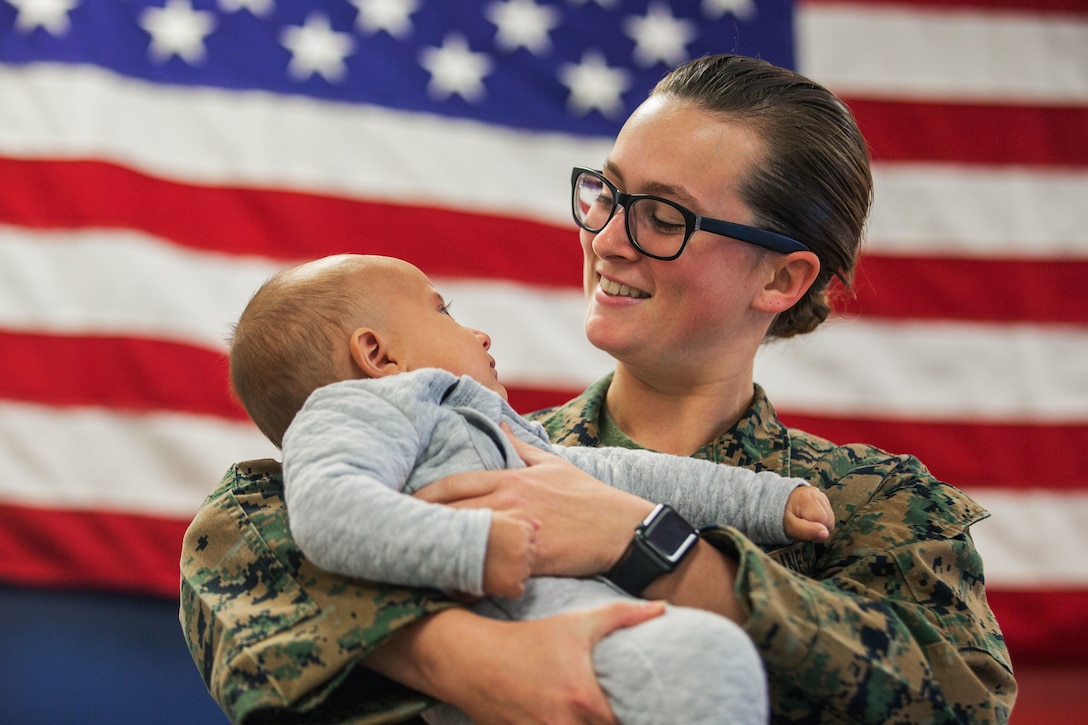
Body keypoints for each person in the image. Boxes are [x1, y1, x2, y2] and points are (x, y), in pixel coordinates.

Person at [180, 53, 1016, 724]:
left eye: (663, 215)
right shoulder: (454, 453)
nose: (608, 238)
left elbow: (960, 695)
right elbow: (236, 553)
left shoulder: (878, 506)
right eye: (608, 193)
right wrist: (472, 659)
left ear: (782, 276)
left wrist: (650, 547)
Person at [228, 253, 835, 725]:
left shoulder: (486, 427)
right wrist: (473, 546)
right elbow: (329, 511)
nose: (480, 334)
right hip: (521, 630)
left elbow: (619, 476)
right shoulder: (354, 411)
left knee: (706, 660)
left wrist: (764, 500)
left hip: (585, 634)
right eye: (443, 313)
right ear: (376, 354)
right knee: (705, 658)